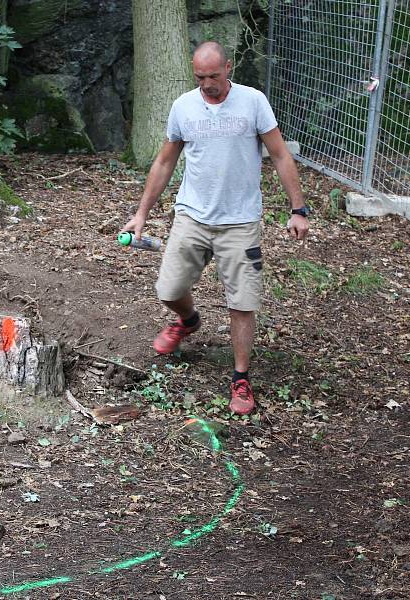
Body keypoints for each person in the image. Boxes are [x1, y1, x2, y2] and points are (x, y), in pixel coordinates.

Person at [123, 41, 310, 416]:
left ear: (228, 67)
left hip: (240, 222)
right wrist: (141, 213)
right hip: (192, 215)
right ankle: (188, 321)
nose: (207, 83)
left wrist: (298, 209)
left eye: (213, 75)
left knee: (242, 303)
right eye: (200, 77)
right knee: (169, 288)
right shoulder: (183, 107)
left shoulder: (253, 102)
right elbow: (164, 163)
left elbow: (279, 154)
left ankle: (240, 379)